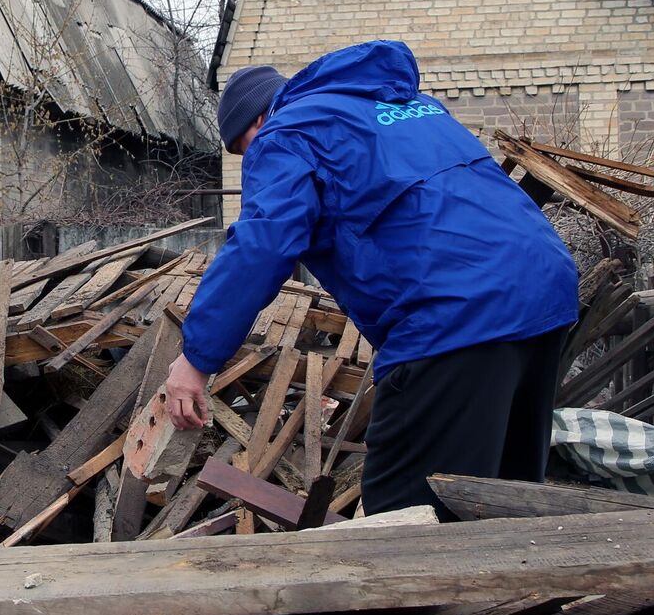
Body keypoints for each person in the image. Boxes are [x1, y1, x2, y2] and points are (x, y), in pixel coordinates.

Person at [163, 40, 579, 517]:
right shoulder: (410, 108)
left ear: (258, 120)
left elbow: (263, 244)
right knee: (500, 501)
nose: (251, 160)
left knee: (407, 518)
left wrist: (196, 359)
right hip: (545, 291)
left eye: (243, 149)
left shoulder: (287, 132)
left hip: (456, 312)